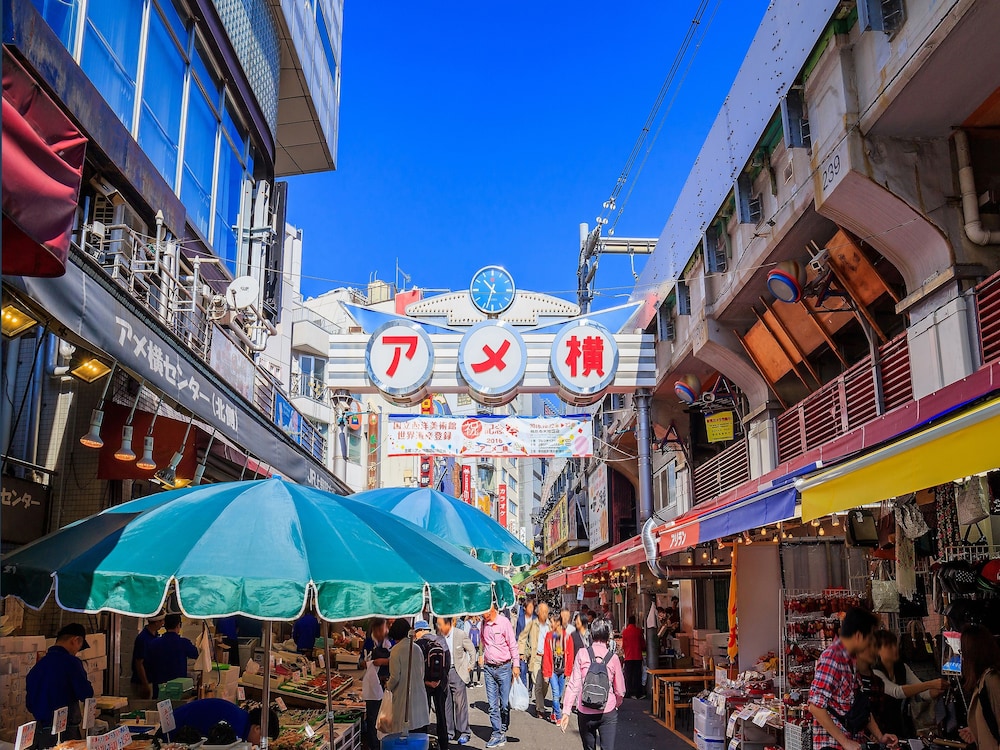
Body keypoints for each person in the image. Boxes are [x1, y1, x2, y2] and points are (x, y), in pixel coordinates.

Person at [807, 607, 897, 750]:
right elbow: (815, 706)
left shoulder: (850, 660)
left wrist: (880, 737)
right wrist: (845, 742)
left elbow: (859, 705)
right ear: (859, 636)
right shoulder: (832, 658)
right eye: (870, 637)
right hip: (833, 746)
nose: (871, 644)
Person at [559, 618, 625, 750]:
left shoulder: (582, 654)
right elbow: (620, 690)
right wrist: (616, 703)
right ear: (608, 636)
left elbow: (573, 685)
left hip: (585, 710)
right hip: (607, 711)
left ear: (591, 634)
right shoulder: (614, 658)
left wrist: (566, 712)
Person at [25, 624, 94, 746]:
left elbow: (30, 705)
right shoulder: (72, 663)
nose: (77, 651)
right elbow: (86, 694)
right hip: (66, 734)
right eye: (79, 646)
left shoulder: (37, 668)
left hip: (40, 735)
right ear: (75, 640)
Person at [872, 629, 948, 737]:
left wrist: (938, 690)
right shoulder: (875, 672)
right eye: (889, 646)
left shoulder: (902, 667)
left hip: (898, 725)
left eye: (895, 645)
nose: (895, 649)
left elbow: (924, 694)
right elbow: (897, 692)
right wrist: (930, 684)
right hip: (878, 728)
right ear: (877, 650)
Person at [480, 605, 520, 749]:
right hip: (489, 668)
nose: (482, 615)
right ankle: (497, 733)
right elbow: (483, 640)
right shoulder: (483, 623)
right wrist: (482, 655)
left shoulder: (504, 623)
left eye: (484, 612)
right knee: (492, 705)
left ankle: (503, 726)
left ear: (492, 609)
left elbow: (513, 645)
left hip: (504, 668)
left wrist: (516, 665)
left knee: (504, 704)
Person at [958, 625, 1000, 750]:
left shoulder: (991, 680)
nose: (962, 657)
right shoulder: (982, 681)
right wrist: (976, 730)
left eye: (963, 652)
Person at [385, 618, 430, 736]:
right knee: (418, 738)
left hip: (404, 701)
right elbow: (422, 673)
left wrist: (387, 686)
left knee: (404, 738)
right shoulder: (417, 648)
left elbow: (395, 677)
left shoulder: (396, 650)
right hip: (419, 698)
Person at [437, 616, 475, 745]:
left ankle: (464, 732)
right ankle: (449, 732)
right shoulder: (439, 636)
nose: (439, 627)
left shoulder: (460, 634)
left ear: (448, 624)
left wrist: (470, 667)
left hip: (457, 672)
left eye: (440, 624)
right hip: (444, 673)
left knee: (460, 704)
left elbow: (472, 650)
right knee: (446, 704)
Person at [414, 621, 450, 750]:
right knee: (441, 715)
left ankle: (422, 744)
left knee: (423, 715)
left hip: (424, 685)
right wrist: (440, 681)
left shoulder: (418, 645)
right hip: (441, 684)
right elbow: (447, 663)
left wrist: (426, 682)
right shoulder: (441, 640)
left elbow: (416, 668)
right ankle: (444, 745)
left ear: (419, 631)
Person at [145, 614, 198, 699]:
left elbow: (147, 665)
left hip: (159, 690)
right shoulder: (183, 643)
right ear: (179, 625)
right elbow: (196, 654)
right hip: (178, 691)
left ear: (164, 625)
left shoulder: (154, 644)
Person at [362, 618, 391, 750]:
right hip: (372, 686)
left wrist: (384, 661)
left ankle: (385, 744)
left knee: (386, 718)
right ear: (375, 629)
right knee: (373, 718)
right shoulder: (369, 641)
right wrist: (365, 663)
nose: (384, 632)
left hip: (387, 685)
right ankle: (374, 746)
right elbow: (361, 660)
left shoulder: (390, 641)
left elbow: (396, 659)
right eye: (381, 629)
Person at [518, 601, 550, 718]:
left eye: (546, 612)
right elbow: (522, 637)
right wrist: (521, 652)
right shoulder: (532, 624)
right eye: (542, 611)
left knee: (546, 683)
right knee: (538, 684)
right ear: (538, 613)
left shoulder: (550, 625)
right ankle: (540, 709)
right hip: (536, 657)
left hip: (547, 659)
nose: (544, 614)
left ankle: (539, 701)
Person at [542, 612, 575, 724]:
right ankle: (558, 715)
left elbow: (570, 655)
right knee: (556, 693)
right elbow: (546, 655)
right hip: (552, 670)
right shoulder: (549, 636)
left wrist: (569, 671)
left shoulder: (567, 636)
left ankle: (553, 712)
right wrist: (546, 673)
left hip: (563, 670)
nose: (550, 624)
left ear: (557, 623)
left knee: (559, 695)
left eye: (551, 622)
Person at [131, 614, 163, 699]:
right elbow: (139, 663)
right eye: (161, 621)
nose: (163, 623)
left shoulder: (156, 636)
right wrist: (145, 684)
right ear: (156, 622)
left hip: (153, 680)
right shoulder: (143, 638)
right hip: (142, 683)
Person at [621, 615, 645, 699]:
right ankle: (638, 693)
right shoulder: (638, 631)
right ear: (635, 622)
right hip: (637, 656)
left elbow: (623, 645)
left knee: (628, 675)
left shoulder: (625, 632)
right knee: (637, 675)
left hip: (628, 656)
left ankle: (628, 692)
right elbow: (642, 644)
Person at [516, 599, 535, 689]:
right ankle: (524, 688)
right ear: (525, 608)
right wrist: (519, 651)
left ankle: (530, 688)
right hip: (523, 648)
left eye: (532, 607)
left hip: (533, 647)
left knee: (531, 670)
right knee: (523, 669)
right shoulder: (520, 619)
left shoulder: (536, 619)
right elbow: (518, 635)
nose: (531, 609)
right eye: (529, 607)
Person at [467, 616, 483, 687]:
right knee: (478, 663)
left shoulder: (467, 623)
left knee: (471, 663)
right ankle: (478, 681)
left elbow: (465, 635)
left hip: (470, 646)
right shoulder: (479, 623)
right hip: (477, 646)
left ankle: (471, 682)